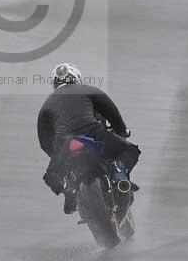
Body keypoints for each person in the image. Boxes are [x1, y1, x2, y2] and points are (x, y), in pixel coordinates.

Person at [37, 63, 140, 214]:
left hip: (64, 142)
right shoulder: (87, 89)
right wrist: (122, 131)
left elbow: (44, 139)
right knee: (130, 150)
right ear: (77, 78)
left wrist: (56, 155)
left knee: (52, 175)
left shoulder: (47, 104)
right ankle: (118, 174)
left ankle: (68, 189)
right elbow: (111, 110)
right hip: (92, 131)